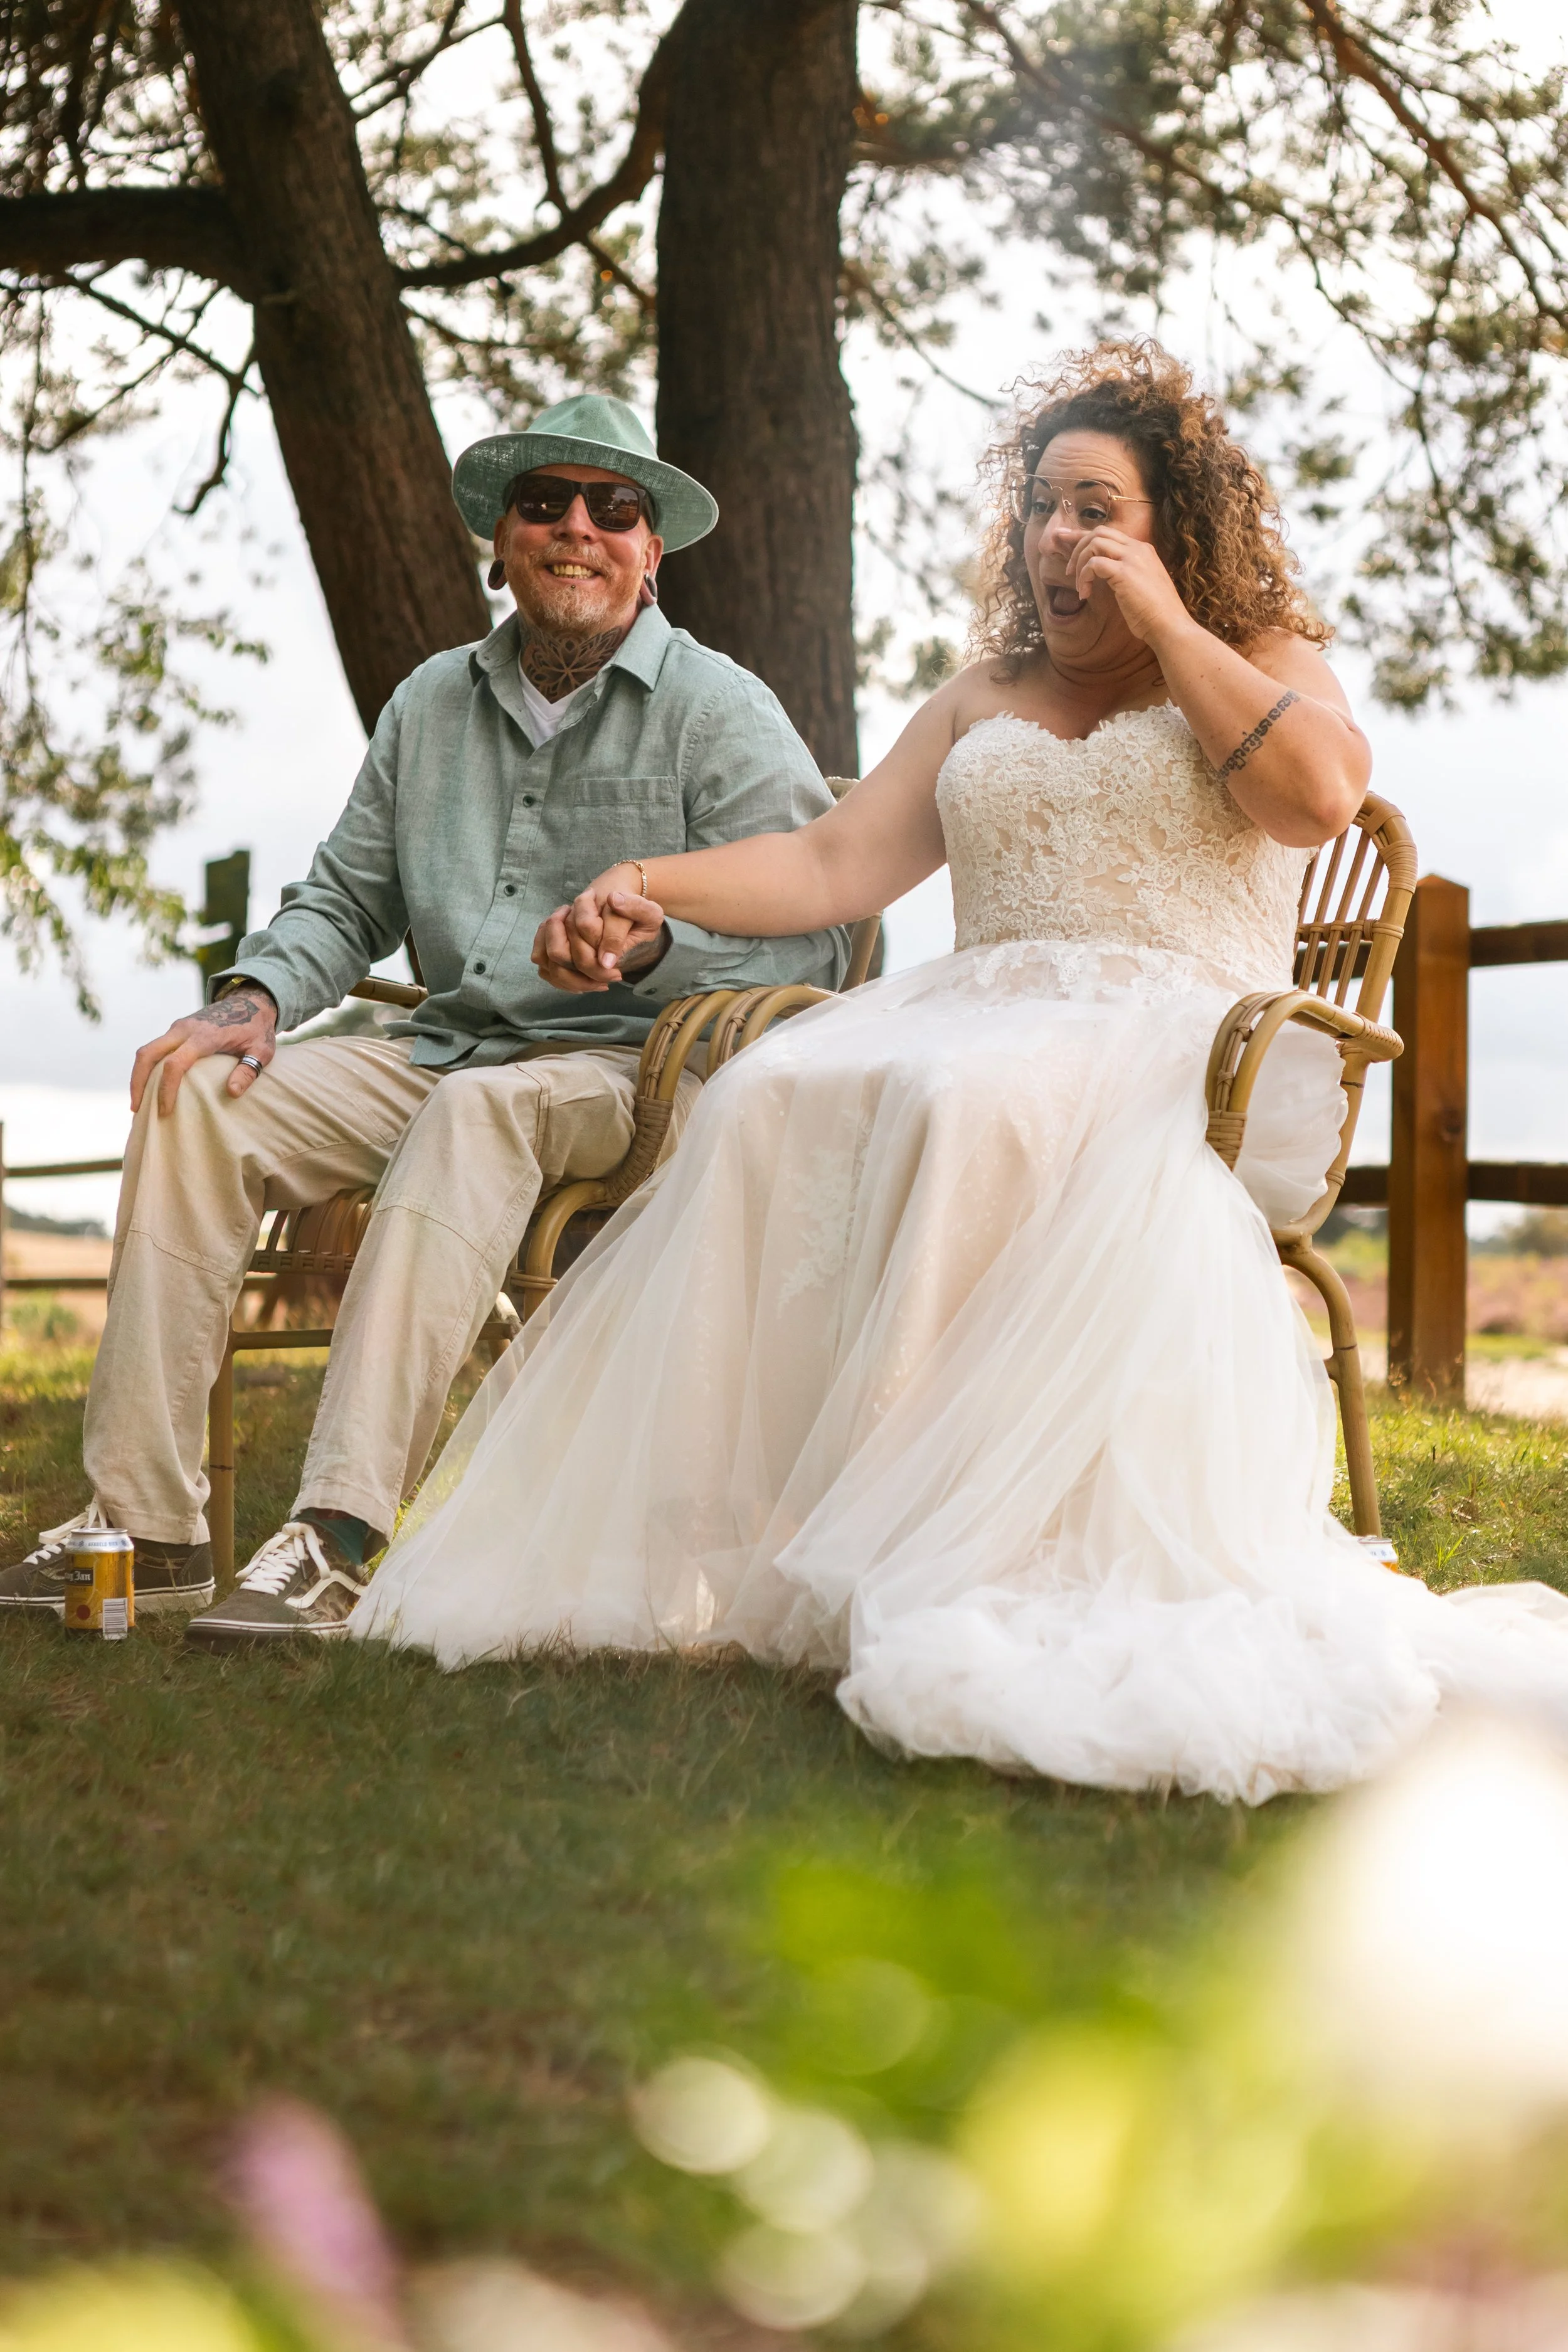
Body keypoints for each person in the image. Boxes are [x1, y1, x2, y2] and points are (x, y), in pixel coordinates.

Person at [352, 339, 1568, 1803]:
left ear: (1170, 530)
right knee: (768, 1091)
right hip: (983, 1005)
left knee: (957, 1101)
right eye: (1044, 509)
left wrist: (1169, 623)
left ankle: (923, 1541)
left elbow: (1315, 800)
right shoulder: (978, 695)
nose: (1061, 538)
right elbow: (828, 857)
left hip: (1184, 1046)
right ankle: (735, 1532)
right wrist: (650, 880)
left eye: (1097, 508)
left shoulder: (1262, 665)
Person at [0, 394, 847, 1646]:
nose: (578, 528)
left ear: (650, 548)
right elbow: (344, 896)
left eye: (613, 509)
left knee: (475, 1109)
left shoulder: (717, 710)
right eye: (544, 503)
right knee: (192, 1092)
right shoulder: (428, 706)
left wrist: (663, 940)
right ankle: (147, 1525)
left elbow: (815, 937)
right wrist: (249, 1000)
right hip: (448, 1040)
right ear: (497, 538)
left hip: (627, 1073)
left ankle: (337, 1535)